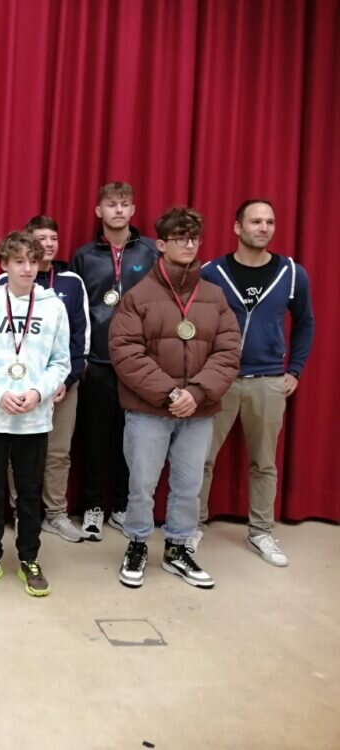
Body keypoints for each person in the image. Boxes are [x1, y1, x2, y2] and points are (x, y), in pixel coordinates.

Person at [109, 207, 240, 589]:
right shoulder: (138, 296)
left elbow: (228, 351)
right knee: (142, 485)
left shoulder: (214, 296)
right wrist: (169, 393)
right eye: (180, 238)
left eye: (194, 238)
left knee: (188, 486)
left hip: (198, 411)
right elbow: (125, 352)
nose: (189, 245)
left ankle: (178, 548)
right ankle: (137, 543)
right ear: (162, 244)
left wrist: (196, 393)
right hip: (148, 411)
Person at [196, 199, 315, 566]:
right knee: (200, 458)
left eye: (270, 222)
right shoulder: (212, 272)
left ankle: (261, 531)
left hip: (268, 381)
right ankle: (191, 526)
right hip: (220, 381)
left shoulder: (292, 273)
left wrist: (294, 370)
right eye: (256, 221)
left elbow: (306, 322)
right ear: (238, 227)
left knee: (264, 463)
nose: (263, 228)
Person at [0, 232, 70, 597]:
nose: (27, 268)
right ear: (4, 264)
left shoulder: (53, 308)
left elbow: (61, 362)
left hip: (34, 418)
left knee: (28, 492)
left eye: (33, 261)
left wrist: (38, 393)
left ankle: (29, 557)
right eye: (19, 261)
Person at [70, 182, 158, 539]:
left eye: (124, 204)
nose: (118, 210)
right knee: (93, 439)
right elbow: (76, 309)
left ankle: (122, 505)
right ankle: (93, 506)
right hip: (98, 361)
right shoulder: (84, 256)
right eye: (111, 204)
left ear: (133, 210)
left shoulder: (151, 251)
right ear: (99, 211)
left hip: (138, 362)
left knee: (133, 439)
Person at [0, 216, 90, 543]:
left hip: (63, 385)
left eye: (53, 238)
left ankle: (56, 513)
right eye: (40, 239)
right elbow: (0, 338)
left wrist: (65, 379)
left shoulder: (72, 282)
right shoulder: (3, 282)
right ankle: (22, 511)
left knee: (58, 452)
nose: (47, 244)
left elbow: (79, 338)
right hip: (19, 386)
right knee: (19, 452)